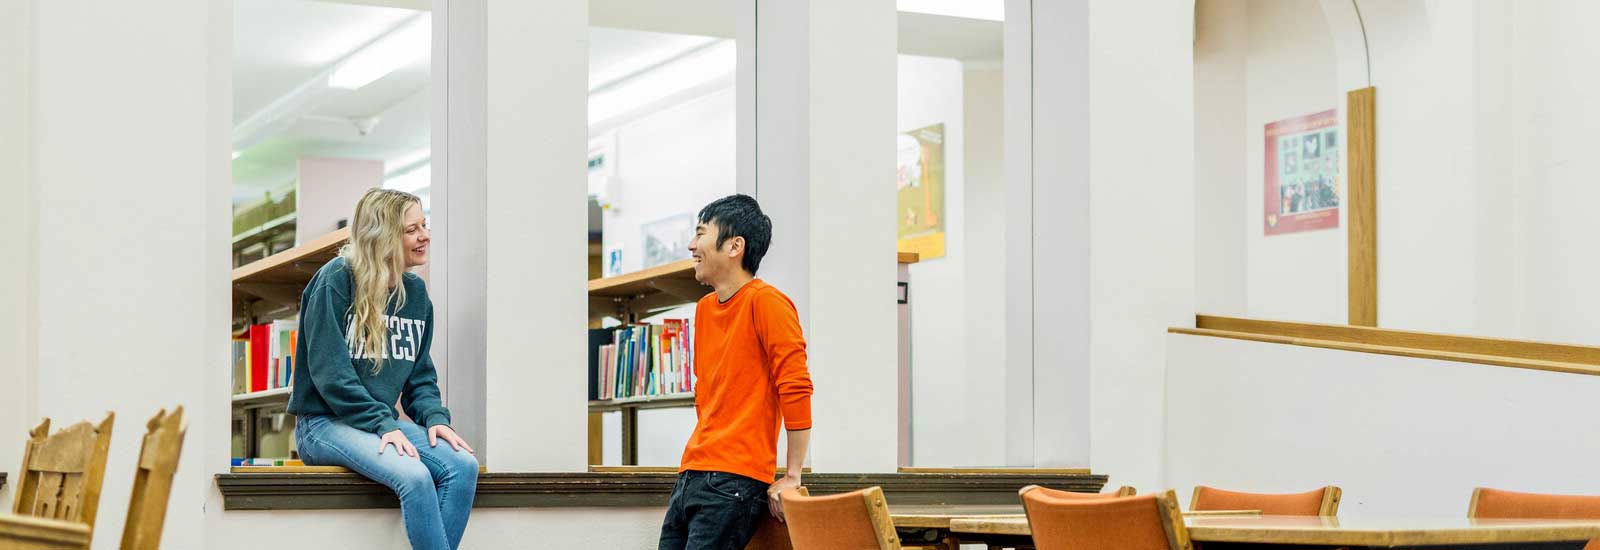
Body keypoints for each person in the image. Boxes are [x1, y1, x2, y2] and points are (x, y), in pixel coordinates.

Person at [288, 188, 478, 550]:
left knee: (463, 466)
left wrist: (436, 418)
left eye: (424, 225)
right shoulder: (336, 281)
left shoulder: (416, 294)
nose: (425, 236)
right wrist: (382, 424)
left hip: (379, 424)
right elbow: (332, 376)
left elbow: (420, 375)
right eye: (411, 229)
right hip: (323, 423)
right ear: (383, 235)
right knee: (416, 477)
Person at [658, 194, 815, 550]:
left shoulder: (767, 302)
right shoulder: (704, 309)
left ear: (734, 246)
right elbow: (706, 393)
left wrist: (792, 474)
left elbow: (796, 387)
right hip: (691, 475)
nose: (691, 245)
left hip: (734, 481)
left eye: (700, 234)